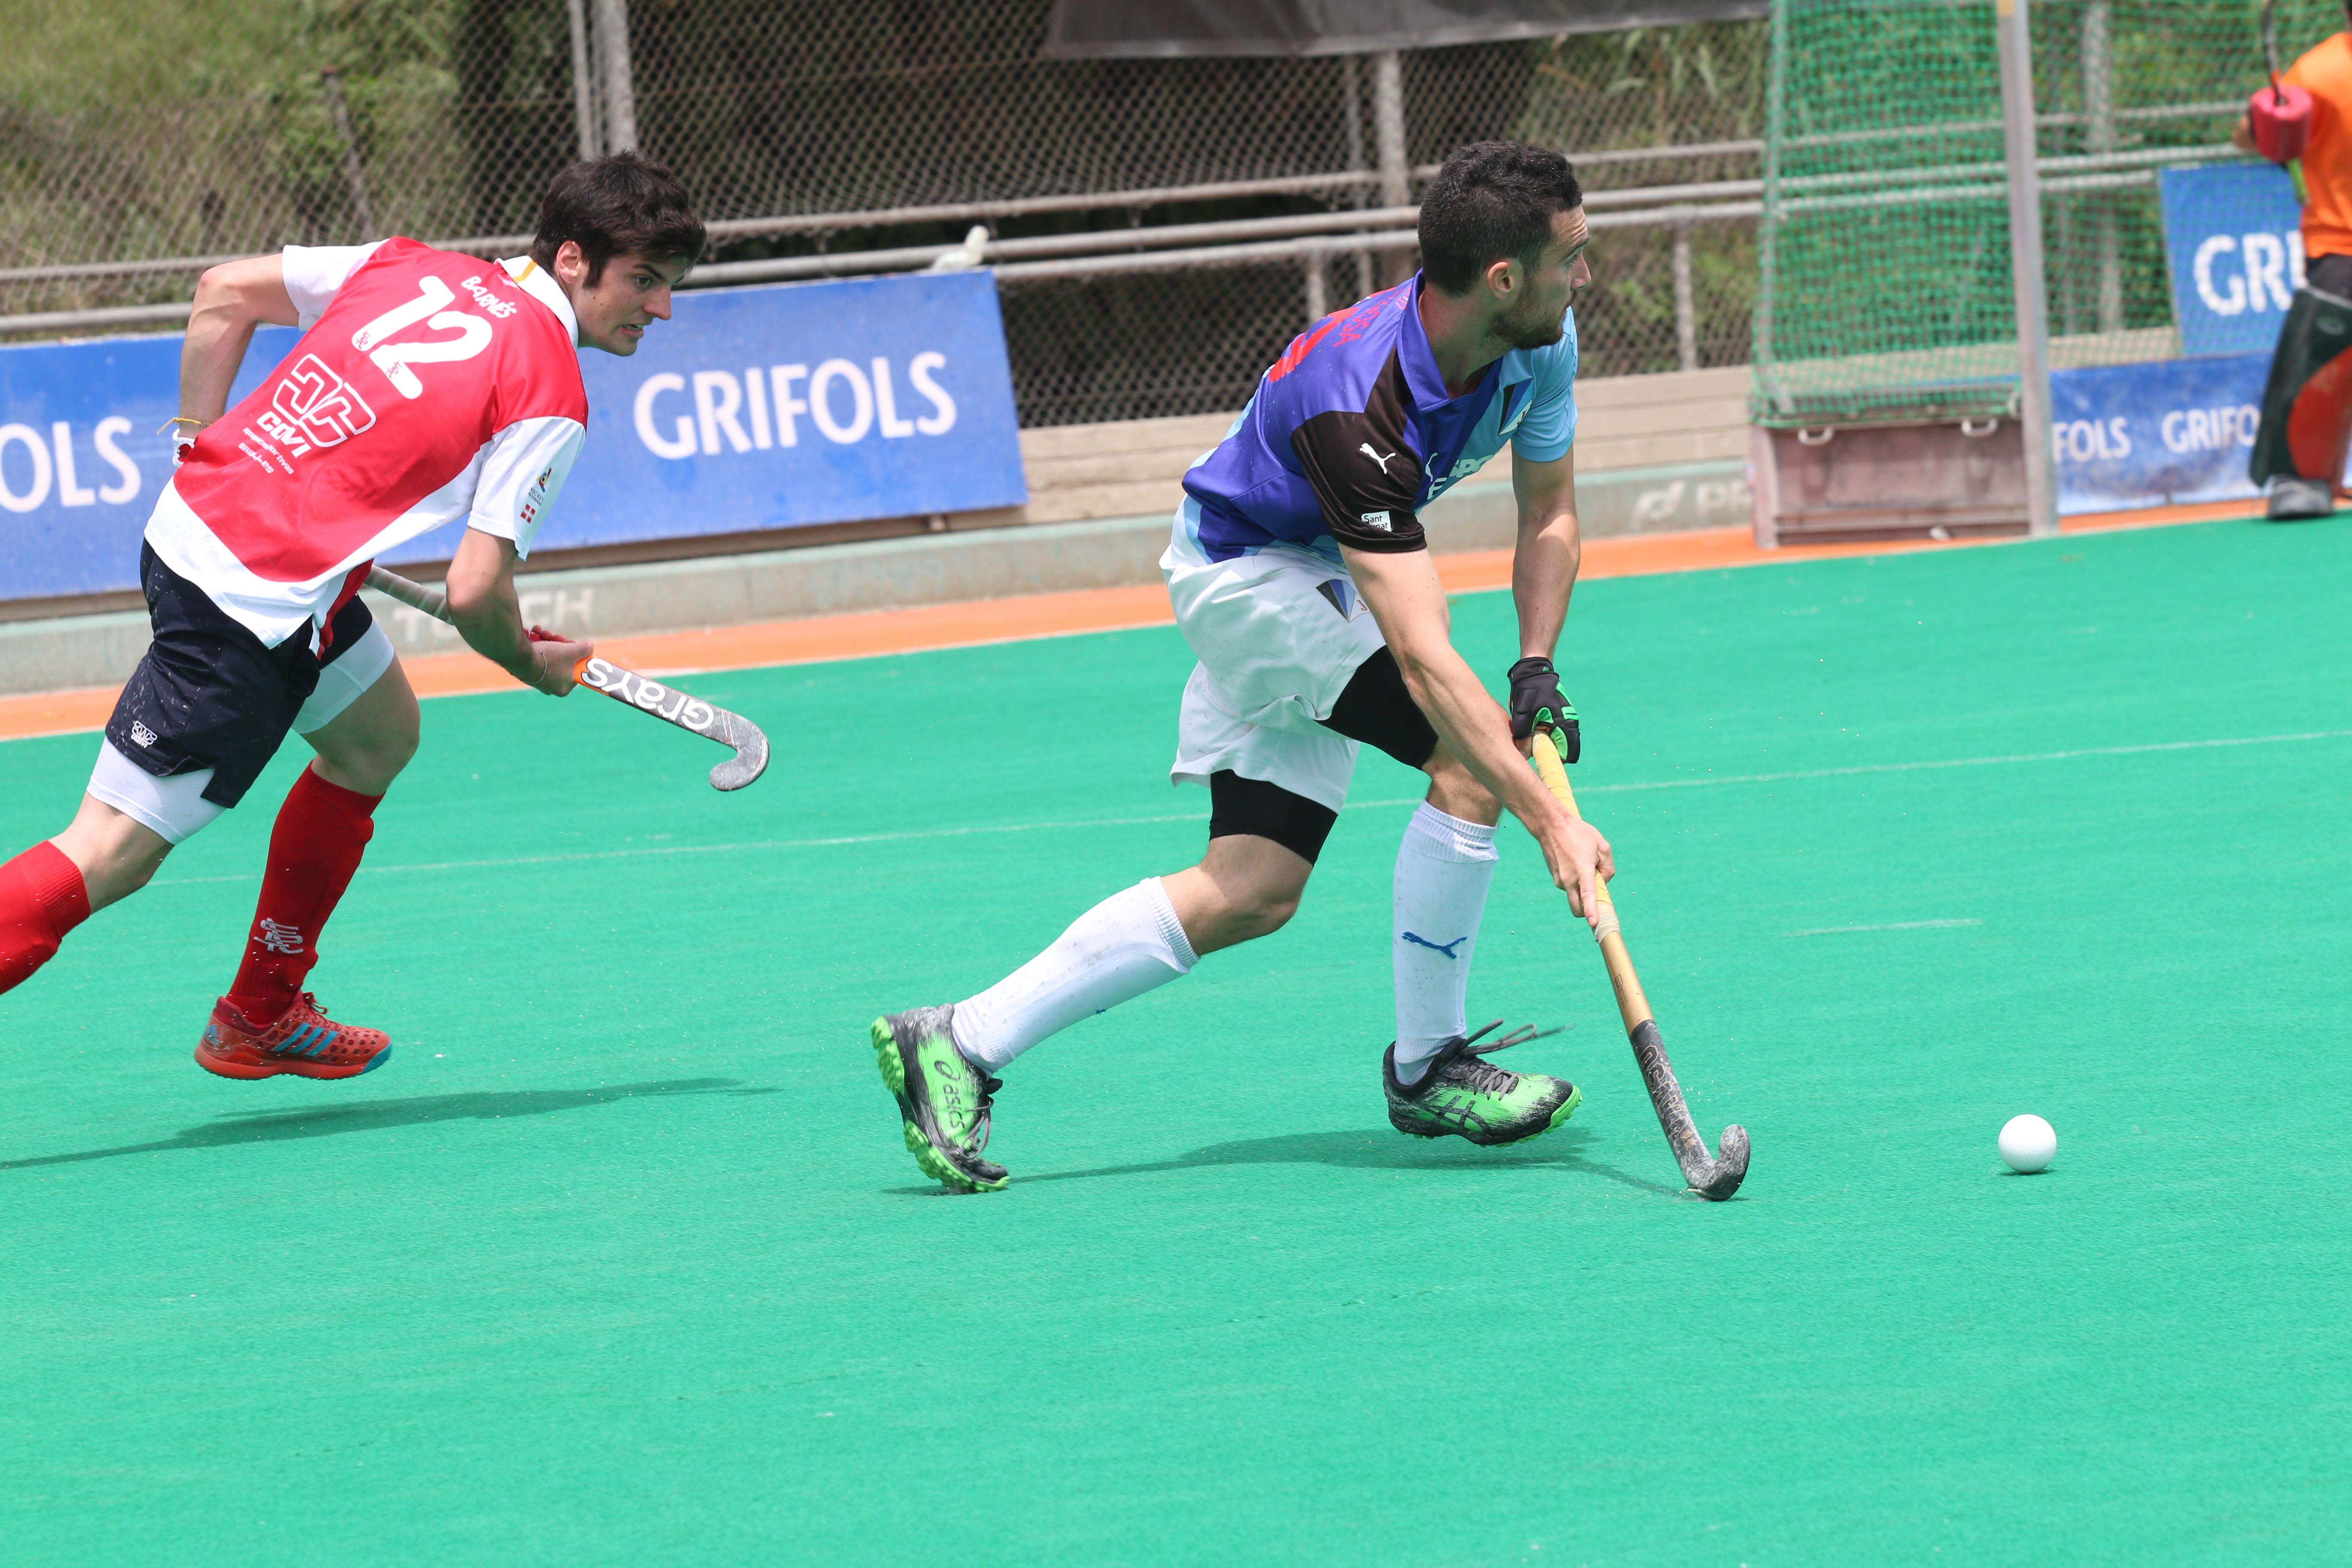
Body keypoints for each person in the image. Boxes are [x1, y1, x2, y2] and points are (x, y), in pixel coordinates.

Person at [871, 141, 1616, 1193]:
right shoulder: (1353, 403)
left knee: (1252, 887)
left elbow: (1549, 514)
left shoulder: (1539, 343)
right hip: (1247, 578)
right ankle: (1428, 1067)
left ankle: (956, 1038)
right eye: (1570, 257)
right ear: (1502, 279)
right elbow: (1419, 646)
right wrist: (1551, 818)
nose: (1583, 276)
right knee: (1466, 762)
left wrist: (1535, 665)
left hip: (1316, 579)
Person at [0, 153, 705, 1079]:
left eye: (670, 287)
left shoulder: (413, 264)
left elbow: (223, 295)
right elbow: (475, 592)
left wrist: (194, 443)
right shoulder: (549, 392)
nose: (659, 310)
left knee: (376, 737)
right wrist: (529, 664)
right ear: (573, 260)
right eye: (644, 281)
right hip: (251, 610)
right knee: (108, 853)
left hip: (210, 542)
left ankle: (261, 1010)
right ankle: (256, 1011)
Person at [2238, 9, 2352, 518]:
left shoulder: (2313, 71)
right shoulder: (2318, 74)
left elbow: (2249, 138)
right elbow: (2257, 136)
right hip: (2341, 249)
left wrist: (2269, 123)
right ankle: (2303, 478)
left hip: (2336, 254)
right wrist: (2273, 123)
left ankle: (2303, 479)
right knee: (2320, 367)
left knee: (2319, 369)